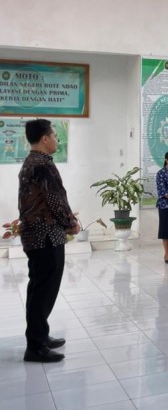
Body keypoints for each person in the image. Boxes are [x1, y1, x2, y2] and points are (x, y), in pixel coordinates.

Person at [19, 119, 80, 363]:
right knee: (43, 289)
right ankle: (35, 346)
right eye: (55, 135)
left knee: (39, 288)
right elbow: (55, 199)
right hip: (45, 236)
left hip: (36, 235)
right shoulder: (43, 164)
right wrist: (70, 222)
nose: (57, 139)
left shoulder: (31, 162)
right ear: (44, 138)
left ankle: (40, 336)